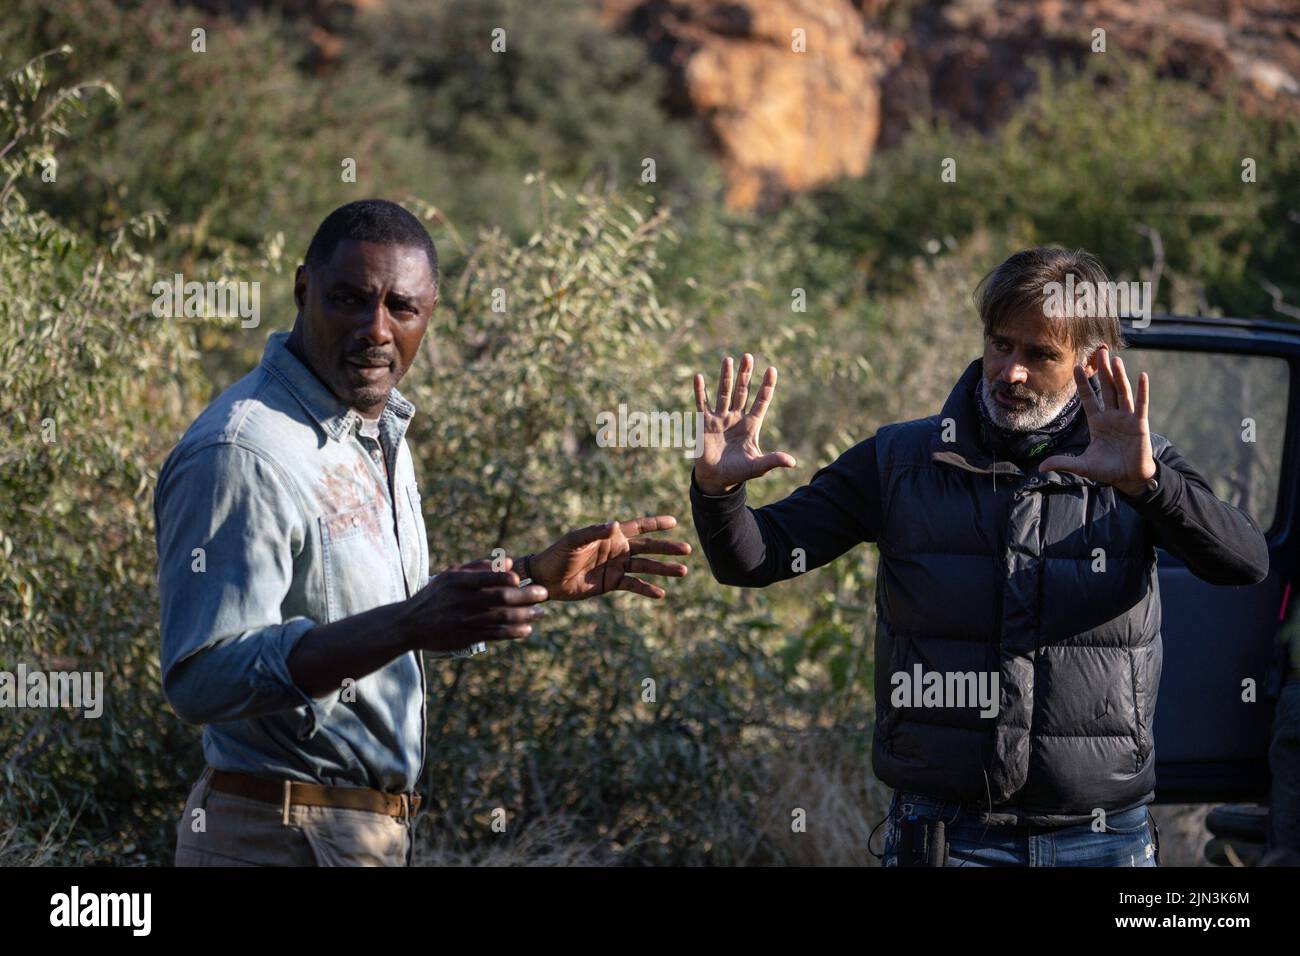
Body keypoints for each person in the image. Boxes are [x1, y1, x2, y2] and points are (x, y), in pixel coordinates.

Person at [688, 246, 1270, 866]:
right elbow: (758, 558)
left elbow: (1245, 562)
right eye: (1000, 345)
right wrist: (719, 494)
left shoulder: (1136, 466)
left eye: (1040, 354)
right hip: (947, 837)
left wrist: (1151, 488)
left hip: (1102, 840)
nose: (1010, 372)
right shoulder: (901, 461)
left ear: (1093, 364)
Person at [156, 199, 691, 866]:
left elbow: (373, 608)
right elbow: (200, 678)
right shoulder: (244, 451)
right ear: (303, 291)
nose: (375, 329)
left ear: (429, 312)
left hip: (357, 838)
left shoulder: (375, 430)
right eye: (350, 299)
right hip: (274, 837)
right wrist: (408, 625)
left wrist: (528, 577)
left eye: (401, 308)